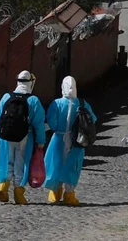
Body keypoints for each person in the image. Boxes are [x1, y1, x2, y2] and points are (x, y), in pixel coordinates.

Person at [0, 70, 46, 205]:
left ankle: (2, 187)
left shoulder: (6, 97)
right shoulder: (33, 100)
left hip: (5, 136)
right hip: (25, 136)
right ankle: (18, 193)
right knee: (21, 162)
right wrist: (41, 141)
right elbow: (39, 123)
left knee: (6, 160)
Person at [43, 76, 97, 206]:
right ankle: (69, 194)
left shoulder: (57, 103)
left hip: (58, 139)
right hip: (76, 139)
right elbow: (92, 119)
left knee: (56, 164)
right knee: (73, 166)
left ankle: (55, 192)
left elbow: (51, 122)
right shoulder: (82, 103)